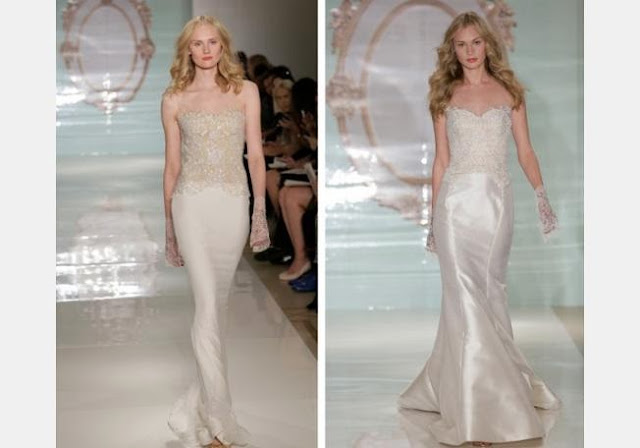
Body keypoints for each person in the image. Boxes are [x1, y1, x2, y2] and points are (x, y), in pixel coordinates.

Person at [397, 12, 561, 447]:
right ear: (452, 50)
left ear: (488, 45)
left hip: (496, 206)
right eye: (461, 44)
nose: (469, 51)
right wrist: (433, 216)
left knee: (491, 293)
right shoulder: (443, 94)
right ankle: (476, 412)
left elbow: (525, 151)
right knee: (464, 299)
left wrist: (541, 194)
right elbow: (441, 160)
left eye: (476, 42)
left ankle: (496, 385)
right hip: (454, 206)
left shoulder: (510, 92)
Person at [162, 15, 269, 448]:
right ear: (187, 50)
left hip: (232, 203)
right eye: (197, 44)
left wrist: (260, 212)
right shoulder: (174, 98)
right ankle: (221, 425)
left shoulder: (246, 92)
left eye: (212, 43)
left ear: (223, 46)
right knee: (206, 305)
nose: (205, 50)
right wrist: (169, 227)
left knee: (217, 310)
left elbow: (256, 156)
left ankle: (198, 404)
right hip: (190, 204)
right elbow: (172, 166)